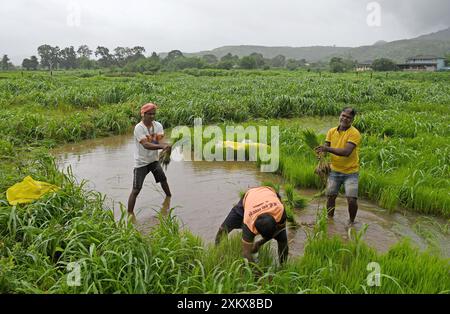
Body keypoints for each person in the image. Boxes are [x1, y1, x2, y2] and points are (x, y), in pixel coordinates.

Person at [215, 186, 289, 264]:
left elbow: (280, 229)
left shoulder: (279, 210)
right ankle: (217, 252)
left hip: (268, 192)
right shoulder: (249, 223)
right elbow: (246, 253)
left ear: (275, 223)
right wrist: (257, 272)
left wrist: (258, 243)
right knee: (223, 230)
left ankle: (283, 266)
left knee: (282, 239)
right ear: (256, 231)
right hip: (250, 195)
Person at [315, 107, 361, 225]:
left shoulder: (354, 133)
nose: (345, 118)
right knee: (330, 197)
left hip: (351, 172)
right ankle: (330, 220)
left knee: (351, 200)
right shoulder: (331, 131)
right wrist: (321, 154)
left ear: (352, 120)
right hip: (334, 170)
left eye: (348, 117)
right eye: (343, 115)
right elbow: (326, 148)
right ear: (340, 115)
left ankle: (351, 222)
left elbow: (346, 152)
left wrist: (327, 149)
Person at [127, 103, 172, 214]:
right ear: (143, 114)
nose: (152, 116)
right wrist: (162, 146)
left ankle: (169, 199)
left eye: (153, 114)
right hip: (141, 162)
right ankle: (129, 214)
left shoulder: (158, 126)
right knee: (136, 189)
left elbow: (160, 141)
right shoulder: (139, 128)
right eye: (149, 114)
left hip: (154, 161)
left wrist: (167, 148)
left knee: (163, 180)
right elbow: (146, 144)